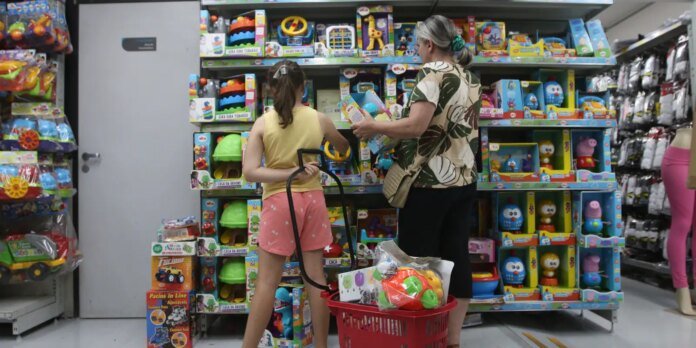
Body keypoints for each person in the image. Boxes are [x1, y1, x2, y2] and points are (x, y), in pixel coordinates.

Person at [352, 15, 481, 347]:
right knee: (456, 257)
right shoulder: (469, 77)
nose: (417, 51)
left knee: (417, 264)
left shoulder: (431, 72)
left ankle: (420, 338)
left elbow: (416, 127)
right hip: (464, 181)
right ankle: (450, 340)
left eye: (418, 45)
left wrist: (375, 127)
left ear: (430, 45)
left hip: (428, 184)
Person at [242, 60, 350, 348]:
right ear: (304, 87)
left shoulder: (263, 122)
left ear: (271, 89)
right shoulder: (319, 118)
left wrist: (287, 172)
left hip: (279, 201)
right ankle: (322, 346)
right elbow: (343, 147)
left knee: (267, 283)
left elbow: (250, 171)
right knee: (316, 278)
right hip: (313, 199)